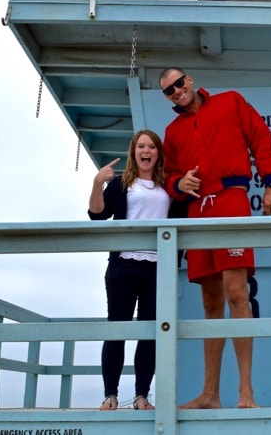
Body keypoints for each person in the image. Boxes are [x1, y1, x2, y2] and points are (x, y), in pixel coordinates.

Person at [158, 67, 271, 409]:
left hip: (231, 201)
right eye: (168, 91)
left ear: (190, 81)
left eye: (178, 83)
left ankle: (246, 392)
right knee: (211, 304)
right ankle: (210, 394)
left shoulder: (230, 102)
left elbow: (260, 137)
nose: (176, 91)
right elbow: (168, 175)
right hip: (197, 212)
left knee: (236, 293)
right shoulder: (172, 131)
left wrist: (270, 184)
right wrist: (179, 184)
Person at [88, 129, 171, 411]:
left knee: (149, 332)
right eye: (141, 146)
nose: (146, 151)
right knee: (117, 329)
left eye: (151, 147)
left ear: (158, 153)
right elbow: (97, 214)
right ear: (133, 152)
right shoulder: (123, 183)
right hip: (123, 266)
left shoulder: (166, 185)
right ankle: (110, 394)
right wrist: (97, 183)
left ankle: (141, 396)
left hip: (157, 268)